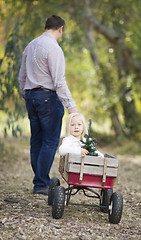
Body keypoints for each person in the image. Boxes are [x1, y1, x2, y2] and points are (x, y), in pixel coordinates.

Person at [18, 15, 78, 195]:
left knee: (36, 140)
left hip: (31, 96)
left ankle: (40, 180)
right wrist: (71, 106)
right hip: (48, 98)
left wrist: (27, 96)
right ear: (60, 28)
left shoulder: (30, 45)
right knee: (50, 141)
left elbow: (21, 77)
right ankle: (41, 183)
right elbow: (59, 81)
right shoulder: (54, 48)